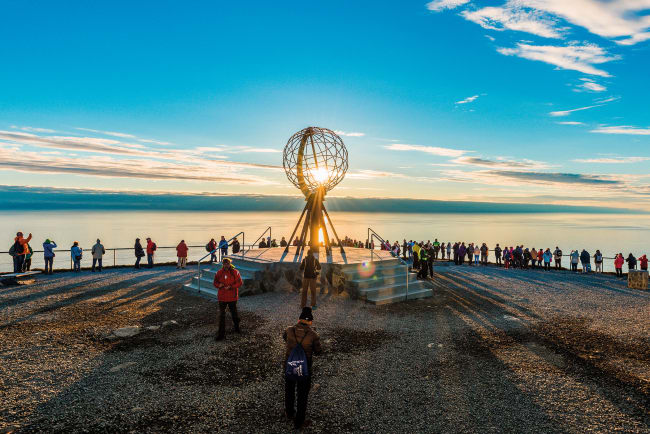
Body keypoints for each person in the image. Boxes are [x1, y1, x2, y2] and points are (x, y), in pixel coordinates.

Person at [283, 307, 322, 430]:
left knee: (289, 389)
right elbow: (318, 352)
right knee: (302, 393)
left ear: (299, 319)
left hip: (289, 365)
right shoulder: (313, 334)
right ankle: (299, 421)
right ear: (310, 322)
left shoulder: (289, 330)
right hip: (304, 368)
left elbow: (285, 338)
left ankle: (289, 413)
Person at [213, 257, 243, 340]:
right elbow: (215, 282)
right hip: (222, 297)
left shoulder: (235, 272)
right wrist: (219, 285)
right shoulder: (219, 273)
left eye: (227, 263)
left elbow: (240, 282)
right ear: (222, 264)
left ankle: (237, 328)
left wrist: (231, 287)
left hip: (232, 297)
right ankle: (221, 334)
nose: (226, 265)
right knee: (222, 316)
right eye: (224, 263)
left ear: (230, 264)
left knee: (234, 313)